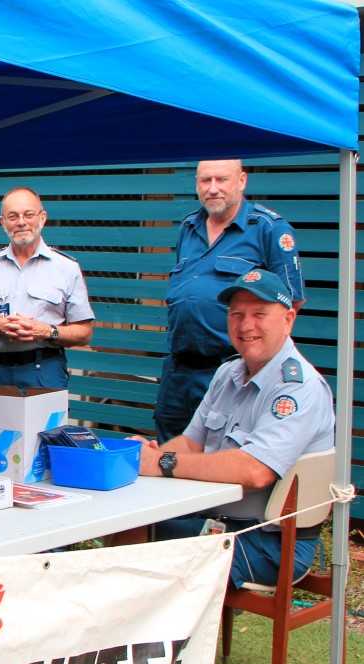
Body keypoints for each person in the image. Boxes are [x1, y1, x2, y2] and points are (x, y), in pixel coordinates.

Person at [132, 269, 332, 588]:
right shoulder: (229, 373)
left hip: (270, 542)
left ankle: (154, 637)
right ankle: (136, 637)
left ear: (288, 319)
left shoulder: (298, 388)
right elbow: (192, 443)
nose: (246, 325)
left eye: (259, 314)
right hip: (218, 525)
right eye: (236, 314)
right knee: (129, 533)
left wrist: (161, 463)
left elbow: (255, 471)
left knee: (145, 568)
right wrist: (137, 459)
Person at [155, 159, 304, 441]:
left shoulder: (268, 229)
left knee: (219, 457)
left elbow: (289, 305)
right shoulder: (188, 227)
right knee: (170, 454)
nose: (212, 189)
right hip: (179, 371)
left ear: (242, 180)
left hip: (230, 371)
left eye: (221, 180)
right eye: (205, 181)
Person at [0, 187, 94, 389]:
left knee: (47, 423)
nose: (21, 222)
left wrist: (46, 331)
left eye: (28, 214)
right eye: (13, 216)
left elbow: (84, 333)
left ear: (42, 218)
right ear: (3, 222)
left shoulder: (66, 268)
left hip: (44, 371)